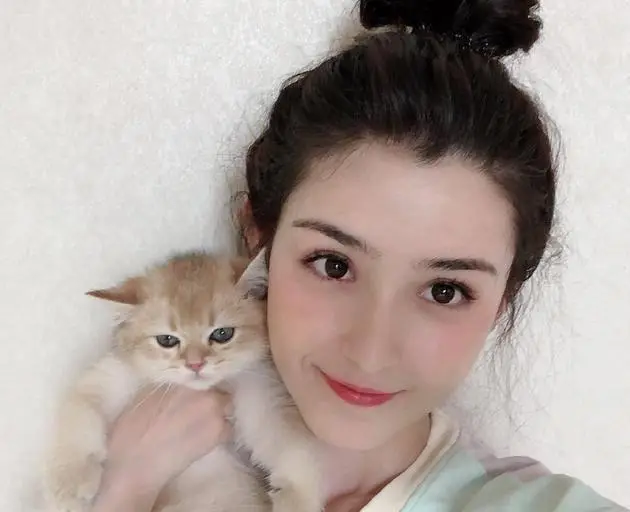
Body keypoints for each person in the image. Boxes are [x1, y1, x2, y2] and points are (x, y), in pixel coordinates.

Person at [91, 0, 627, 510]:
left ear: (501, 303)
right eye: (334, 265)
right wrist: (126, 488)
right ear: (259, 242)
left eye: (445, 291)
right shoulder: (133, 450)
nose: (371, 354)